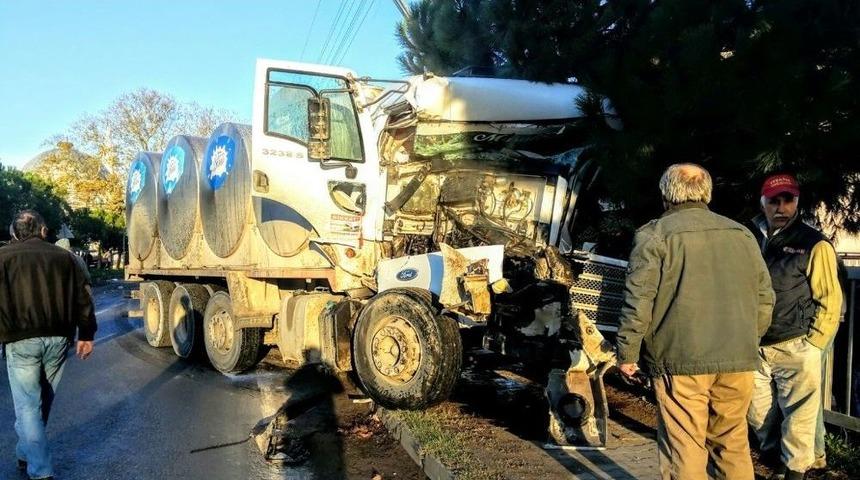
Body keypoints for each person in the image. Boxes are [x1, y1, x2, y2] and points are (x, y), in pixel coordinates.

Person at [615, 164, 774, 480]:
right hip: (738, 359)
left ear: (665, 194)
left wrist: (627, 352)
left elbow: (639, 300)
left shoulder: (654, 235)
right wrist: (746, 339)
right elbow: (765, 298)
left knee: (684, 447)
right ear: (707, 192)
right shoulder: (742, 234)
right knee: (733, 443)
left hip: (681, 359)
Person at [746, 174, 843, 479]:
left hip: (796, 342)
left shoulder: (814, 244)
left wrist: (813, 344)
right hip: (754, 345)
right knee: (758, 412)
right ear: (762, 202)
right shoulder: (748, 237)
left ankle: (795, 470)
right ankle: (779, 457)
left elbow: (830, 299)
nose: (781, 207)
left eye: (788, 200)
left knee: (800, 415)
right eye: (774, 200)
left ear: (797, 202)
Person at [0, 210, 97, 480]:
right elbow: (84, 298)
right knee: (41, 402)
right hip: (59, 340)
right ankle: (25, 453)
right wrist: (87, 335)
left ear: (14, 232)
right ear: (43, 231)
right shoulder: (67, 258)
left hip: (20, 340)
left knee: (29, 406)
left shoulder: (3, 258)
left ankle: (40, 471)